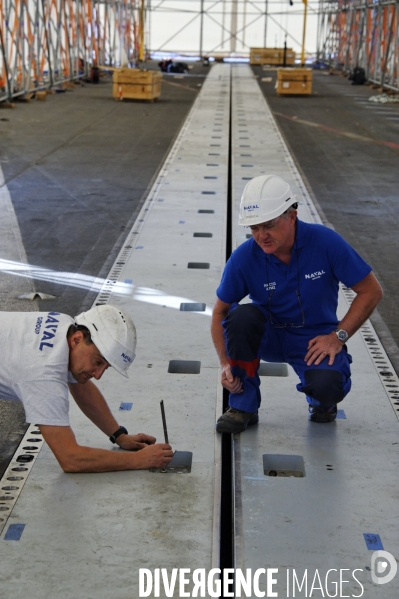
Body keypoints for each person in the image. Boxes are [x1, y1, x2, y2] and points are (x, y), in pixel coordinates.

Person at [211, 175, 383, 434]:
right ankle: (243, 405)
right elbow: (219, 313)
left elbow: (371, 291)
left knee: (327, 387)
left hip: (314, 339)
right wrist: (225, 363)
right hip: (268, 335)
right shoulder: (245, 257)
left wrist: (338, 336)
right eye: (254, 228)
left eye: (268, 225)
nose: (261, 236)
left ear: (292, 216)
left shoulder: (325, 243)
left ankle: (321, 402)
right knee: (241, 317)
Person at [0, 305, 173, 471]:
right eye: (98, 362)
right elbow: (70, 459)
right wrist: (139, 460)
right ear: (77, 339)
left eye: (105, 367)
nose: (98, 375)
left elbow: (81, 387)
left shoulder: (64, 324)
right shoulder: (43, 375)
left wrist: (119, 435)